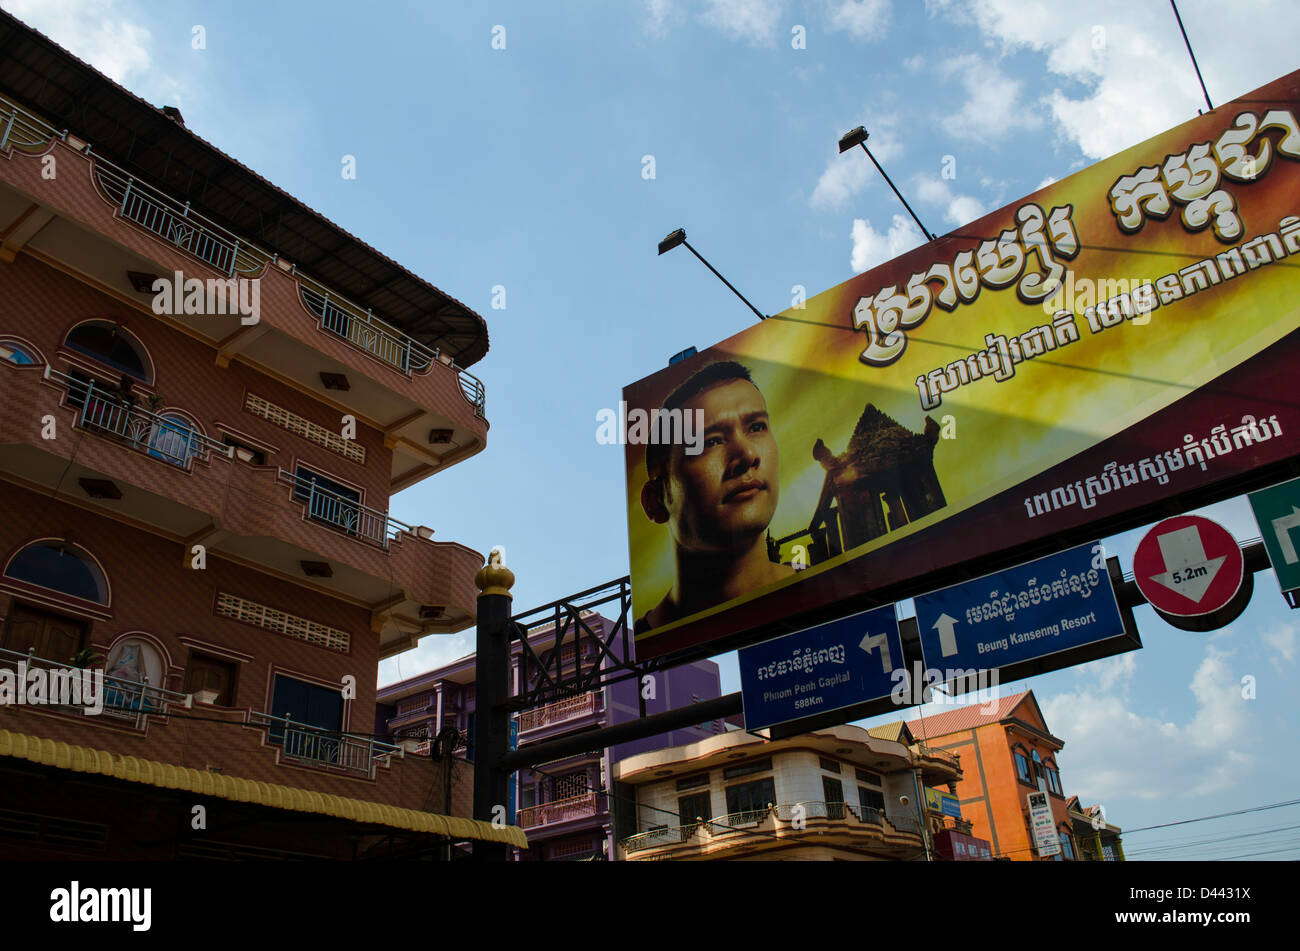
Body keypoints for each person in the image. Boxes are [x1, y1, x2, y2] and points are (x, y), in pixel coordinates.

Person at [635, 360, 795, 633]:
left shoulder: (828, 586)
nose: (747, 455)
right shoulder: (648, 640)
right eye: (711, 442)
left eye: (756, 427)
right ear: (656, 501)